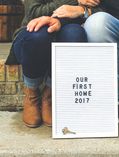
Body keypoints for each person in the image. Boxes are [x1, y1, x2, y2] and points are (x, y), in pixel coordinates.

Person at [5, 0, 99, 128]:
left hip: (68, 29)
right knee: (39, 35)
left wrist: (82, 11)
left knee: (75, 34)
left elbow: (105, 10)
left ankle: (49, 95)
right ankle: (31, 94)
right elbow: (34, 12)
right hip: (32, 32)